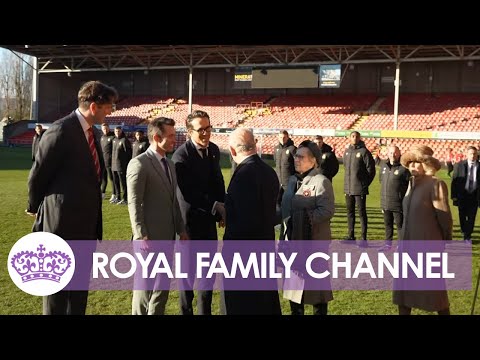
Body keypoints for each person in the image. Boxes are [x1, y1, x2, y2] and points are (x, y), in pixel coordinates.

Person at [26, 80, 118, 315]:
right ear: (94, 106)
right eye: (109, 106)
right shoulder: (61, 130)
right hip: (61, 225)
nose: (111, 111)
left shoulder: (92, 132)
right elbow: (39, 172)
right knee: (57, 294)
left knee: (79, 293)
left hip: (85, 227)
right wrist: (34, 207)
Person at [126, 117, 189, 315]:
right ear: (156, 137)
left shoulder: (170, 165)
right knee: (145, 290)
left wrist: (181, 229)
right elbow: (133, 203)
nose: (174, 140)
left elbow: (174, 201)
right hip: (148, 240)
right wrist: (140, 234)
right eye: (170, 136)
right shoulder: (139, 164)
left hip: (168, 237)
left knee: (161, 288)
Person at [172, 110, 226, 315]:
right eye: (200, 130)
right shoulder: (181, 156)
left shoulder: (213, 149)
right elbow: (189, 194)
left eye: (208, 128)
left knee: (207, 277)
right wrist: (215, 207)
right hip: (189, 227)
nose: (206, 133)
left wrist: (222, 207)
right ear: (189, 132)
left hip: (208, 225)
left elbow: (217, 180)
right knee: (187, 278)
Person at [223, 128, 281, 315]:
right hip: (265, 245)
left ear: (232, 151)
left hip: (243, 253)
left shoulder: (243, 175)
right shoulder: (269, 171)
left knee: (242, 304)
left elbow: (242, 218)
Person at [394, 145, 452, 315]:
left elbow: (444, 217)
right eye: (410, 163)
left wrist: (445, 239)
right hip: (406, 246)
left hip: (427, 246)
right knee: (403, 292)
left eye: (416, 163)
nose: (412, 166)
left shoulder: (436, 184)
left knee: (434, 292)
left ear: (425, 164)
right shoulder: (411, 184)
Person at [281, 140, 335, 315]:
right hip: (293, 245)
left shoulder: (321, 181)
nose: (296, 159)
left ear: (314, 161)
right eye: (296, 155)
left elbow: (326, 211)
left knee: (317, 294)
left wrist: (305, 218)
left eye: (301, 156)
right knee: (295, 294)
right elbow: (284, 209)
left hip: (313, 246)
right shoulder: (291, 181)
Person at [342, 131, 376, 247]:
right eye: (352, 136)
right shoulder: (347, 152)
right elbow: (346, 168)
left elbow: (371, 170)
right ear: (349, 138)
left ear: (359, 138)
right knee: (350, 213)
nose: (355, 138)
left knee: (362, 213)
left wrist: (364, 184)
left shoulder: (364, 152)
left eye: (357, 136)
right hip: (348, 188)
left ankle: (363, 238)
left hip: (359, 188)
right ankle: (351, 236)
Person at [378, 145, 410, 251]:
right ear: (388, 153)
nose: (393, 155)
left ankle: (401, 246)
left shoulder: (404, 168)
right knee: (388, 225)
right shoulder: (383, 166)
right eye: (391, 152)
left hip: (398, 203)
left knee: (400, 226)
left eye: (395, 152)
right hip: (386, 202)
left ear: (399, 153)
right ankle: (388, 245)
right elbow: (381, 181)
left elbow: (408, 185)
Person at [451, 146, 480, 243]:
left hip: (475, 196)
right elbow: (454, 181)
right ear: (467, 154)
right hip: (462, 195)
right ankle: (464, 231)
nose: (473, 156)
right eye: (471, 153)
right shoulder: (459, 165)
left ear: (477, 154)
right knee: (462, 216)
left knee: (472, 217)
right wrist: (454, 196)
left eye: (474, 154)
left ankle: (468, 236)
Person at [274, 130, 296, 207]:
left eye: (284, 137)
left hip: (289, 182)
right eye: (280, 137)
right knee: (277, 203)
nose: (282, 139)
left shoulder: (292, 149)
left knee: (288, 204)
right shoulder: (276, 149)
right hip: (278, 181)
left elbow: (296, 165)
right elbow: (275, 162)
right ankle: (278, 218)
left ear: (288, 137)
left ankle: (288, 219)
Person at [111, 126, 132, 205]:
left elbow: (128, 154)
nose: (117, 132)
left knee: (123, 183)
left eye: (118, 131)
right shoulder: (114, 140)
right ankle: (118, 197)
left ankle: (125, 198)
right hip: (114, 165)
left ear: (121, 131)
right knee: (116, 183)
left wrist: (127, 164)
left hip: (121, 166)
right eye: (116, 131)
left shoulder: (124, 140)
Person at [100, 123, 115, 201]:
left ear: (109, 128)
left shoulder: (112, 137)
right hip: (103, 161)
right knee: (103, 179)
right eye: (103, 129)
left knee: (111, 178)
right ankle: (102, 193)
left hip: (111, 162)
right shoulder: (102, 137)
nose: (105, 130)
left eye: (106, 128)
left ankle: (114, 194)